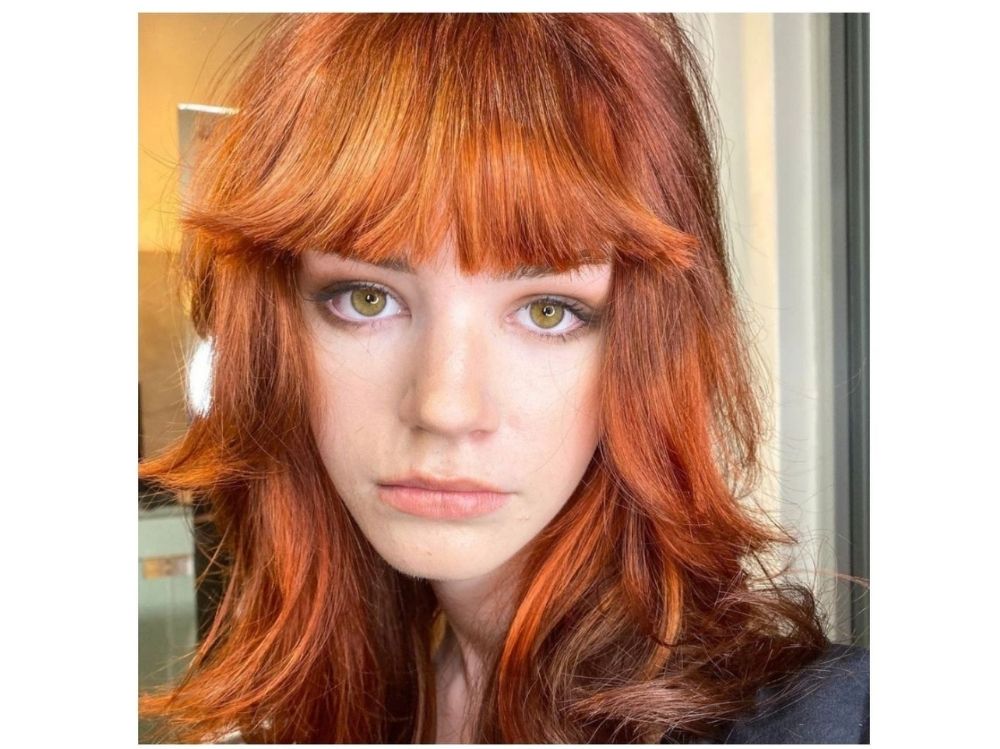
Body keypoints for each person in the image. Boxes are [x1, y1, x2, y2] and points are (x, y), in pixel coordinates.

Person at [139, 13, 868, 744]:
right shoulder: (366, 698)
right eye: (367, 299)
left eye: (549, 311)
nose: (445, 407)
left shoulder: (829, 722)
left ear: (645, 345)